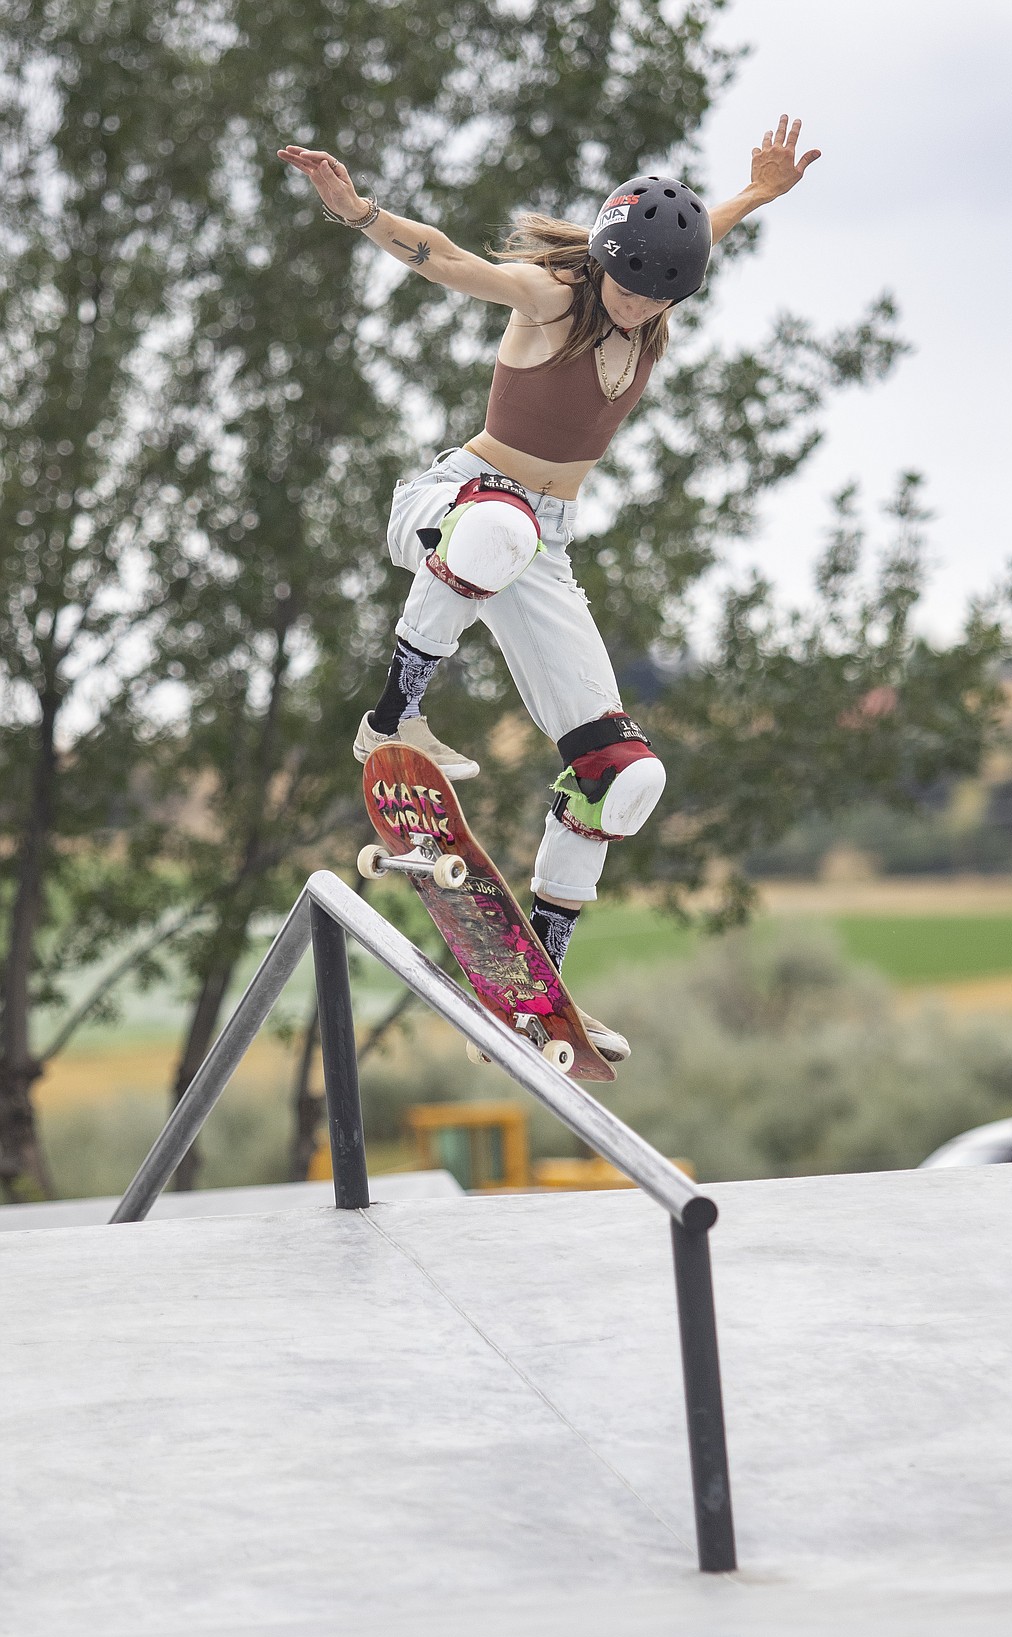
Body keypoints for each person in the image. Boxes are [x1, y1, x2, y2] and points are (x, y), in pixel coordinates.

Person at [279, 121, 819, 1060]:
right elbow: (444, 260)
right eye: (633, 287)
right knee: (501, 525)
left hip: (543, 553)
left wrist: (758, 192)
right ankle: (392, 716)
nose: (644, 310)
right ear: (606, 262)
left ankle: (531, 990)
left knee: (626, 778)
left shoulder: (659, 283)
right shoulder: (549, 296)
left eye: (663, 298)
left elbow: (703, 233)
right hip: (453, 502)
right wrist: (360, 211)